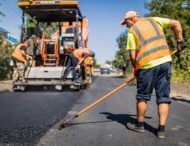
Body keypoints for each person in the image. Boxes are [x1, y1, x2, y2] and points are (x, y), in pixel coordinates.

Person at [120, 11, 184, 138]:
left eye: (126, 23)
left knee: (142, 96)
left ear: (131, 19)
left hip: (146, 66)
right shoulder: (154, 20)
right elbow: (176, 23)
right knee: (163, 97)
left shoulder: (132, 31)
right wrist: (179, 41)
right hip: (165, 62)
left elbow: (133, 56)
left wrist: (136, 69)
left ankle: (139, 125)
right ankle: (161, 130)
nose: (126, 26)